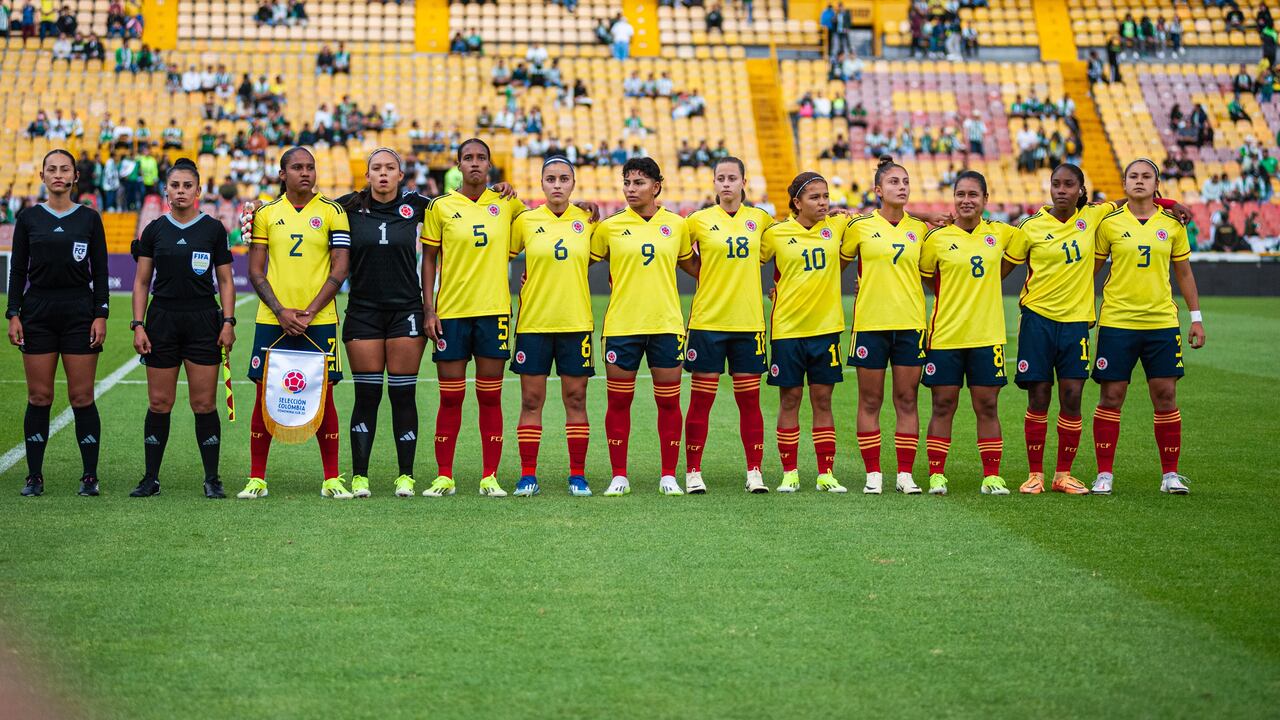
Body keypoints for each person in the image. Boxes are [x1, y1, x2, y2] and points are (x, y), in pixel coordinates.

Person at [238, 147, 351, 500]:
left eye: (310, 167)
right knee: (263, 395)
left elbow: (340, 268)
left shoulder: (334, 212)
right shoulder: (267, 214)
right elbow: (255, 271)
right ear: (282, 174)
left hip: (320, 321)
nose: (306, 173)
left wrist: (310, 312)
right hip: (272, 320)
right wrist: (281, 311)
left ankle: (332, 478)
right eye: (297, 167)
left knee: (325, 396)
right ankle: (257, 478)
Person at [1091, 159, 1204, 495]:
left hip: (1161, 323)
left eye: (1146, 176)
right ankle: (1104, 474)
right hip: (1117, 322)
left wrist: (1195, 318)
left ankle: (1170, 474)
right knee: (1111, 396)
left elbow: (1183, 273)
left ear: (1156, 184)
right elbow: (1092, 271)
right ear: (1124, 183)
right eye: (1133, 176)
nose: (1139, 181)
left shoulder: (1172, 224)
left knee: (1166, 395)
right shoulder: (1108, 223)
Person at [419, 139, 525, 498]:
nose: (475, 164)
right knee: (450, 397)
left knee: (490, 397)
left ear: (491, 165)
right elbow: (429, 259)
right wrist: (429, 308)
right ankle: (444, 475)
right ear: (458, 166)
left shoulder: (507, 203)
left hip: (493, 311)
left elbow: (544, 226)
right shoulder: (440, 207)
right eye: (469, 158)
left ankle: (489, 476)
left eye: (481, 158)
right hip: (451, 313)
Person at [590, 157, 697, 496]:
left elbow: (698, 268)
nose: (631, 189)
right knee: (618, 403)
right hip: (622, 325)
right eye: (627, 183)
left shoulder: (677, 225)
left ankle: (669, 475)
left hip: (666, 324)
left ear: (656, 187)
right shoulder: (608, 227)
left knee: (668, 403)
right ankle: (619, 475)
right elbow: (577, 262)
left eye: (638, 183)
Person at [128, 159, 235, 498]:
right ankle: (150, 478)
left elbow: (226, 281)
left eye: (188, 186)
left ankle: (212, 478)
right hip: (162, 319)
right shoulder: (155, 230)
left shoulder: (213, 229)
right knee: (160, 402)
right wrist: (138, 325)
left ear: (198, 191)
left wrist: (228, 321)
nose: (181, 191)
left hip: (203, 319)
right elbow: (142, 282)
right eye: (175, 186)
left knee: (204, 403)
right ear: (166, 191)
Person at [918, 171, 1029, 496]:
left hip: (987, 335)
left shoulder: (1002, 233)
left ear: (985, 200)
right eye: (961, 194)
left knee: (987, 406)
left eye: (973, 195)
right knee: (943, 404)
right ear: (953, 199)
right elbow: (927, 278)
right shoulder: (936, 238)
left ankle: (992, 476)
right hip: (946, 336)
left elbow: (1015, 256)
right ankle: (937, 475)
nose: (966, 200)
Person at [7, 150, 109, 497]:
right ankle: (34, 476)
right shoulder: (28, 218)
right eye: (52, 169)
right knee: (39, 396)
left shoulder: (89, 219)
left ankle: (89, 476)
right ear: (42, 175)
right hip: (38, 311)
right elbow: (18, 269)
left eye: (65, 169)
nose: (58, 174)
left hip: (79, 310)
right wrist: (13, 313)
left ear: (75, 176)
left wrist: (101, 314)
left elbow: (101, 271)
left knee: (81, 396)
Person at [336, 149, 430, 498]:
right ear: (368, 175)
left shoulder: (419, 206)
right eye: (377, 168)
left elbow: (461, 208)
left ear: (401, 175)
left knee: (403, 394)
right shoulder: (347, 206)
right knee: (367, 394)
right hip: (362, 311)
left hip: (406, 310)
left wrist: (501, 190)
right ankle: (360, 476)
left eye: (390, 168)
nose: (384, 174)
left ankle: (405, 476)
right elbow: (309, 211)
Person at [681, 157, 774, 494]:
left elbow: (788, 246)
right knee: (701, 401)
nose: (726, 183)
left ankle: (754, 471)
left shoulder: (761, 220)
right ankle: (693, 471)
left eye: (732, 177)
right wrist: (703, 274)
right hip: (708, 322)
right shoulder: (698, 220)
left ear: (743, 181)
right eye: (720, 178)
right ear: (714, 182)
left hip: (748, 323)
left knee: (749, 401)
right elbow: (678, 253)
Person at [842, 157, 931, 495]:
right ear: (878, 190)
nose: (902, 187)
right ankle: (874, 473)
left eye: (905, 181)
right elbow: (835, 261)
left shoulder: (920, 230)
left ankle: (905, 474)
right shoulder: (859, 226)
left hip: (910, 323)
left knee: (907, 399)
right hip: (870, 323)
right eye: (894, 182)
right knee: (870, 400)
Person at [508, 157, 596, 497]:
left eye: (563, 179)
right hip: (534, 324)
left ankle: (578, 475)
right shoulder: (526, 221)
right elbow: (502, 254)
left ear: (573, 184)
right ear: (542, 184)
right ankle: (527, 475)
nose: (557, 184)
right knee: (531, 400)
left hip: (575, 323)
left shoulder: (588, 221)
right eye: (550, 179)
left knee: (576, 398)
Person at [760, 172, 849, 494]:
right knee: (790, 399)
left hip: (826, 330)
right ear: (797, 202)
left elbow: (877, 225)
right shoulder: (776, 234)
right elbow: (743, 261)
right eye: (815, 197)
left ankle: (826, 473)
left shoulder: (838, 226)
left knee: (823, 401)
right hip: (787, 331)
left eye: (825, 196)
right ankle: (789, 473)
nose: (823, 202)